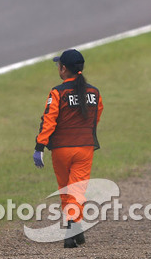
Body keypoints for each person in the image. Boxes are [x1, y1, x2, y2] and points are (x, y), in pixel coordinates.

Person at [33, 49, 103, 249]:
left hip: (61, 150)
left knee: (66, 190)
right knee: (77, 190)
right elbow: (95, 117)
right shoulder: (94, 92)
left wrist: (39, 147)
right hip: (85, 148)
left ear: (64, 69)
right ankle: (74, 227)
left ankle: (72, 228)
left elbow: (49, 121)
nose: (58, 68)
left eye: (58, 65)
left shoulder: (57, 92)